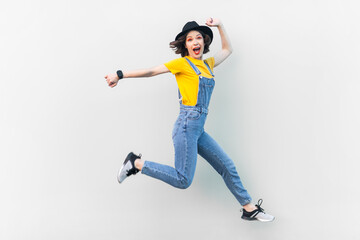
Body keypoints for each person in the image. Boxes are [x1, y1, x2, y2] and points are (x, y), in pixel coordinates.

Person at [104, 18, 274, 222]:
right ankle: (136, 163)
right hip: (186, 125)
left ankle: (249, 208)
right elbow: (151, 72)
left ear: (204, 42)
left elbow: (228, 50)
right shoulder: (182, 64)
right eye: (191, 39)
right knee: (183, 180)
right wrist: (119, 75)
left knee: (227, 166)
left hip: (198, 128)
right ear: (185, 45)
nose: (195, 42)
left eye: (199, 38)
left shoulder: (208, 64)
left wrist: (219, 25)